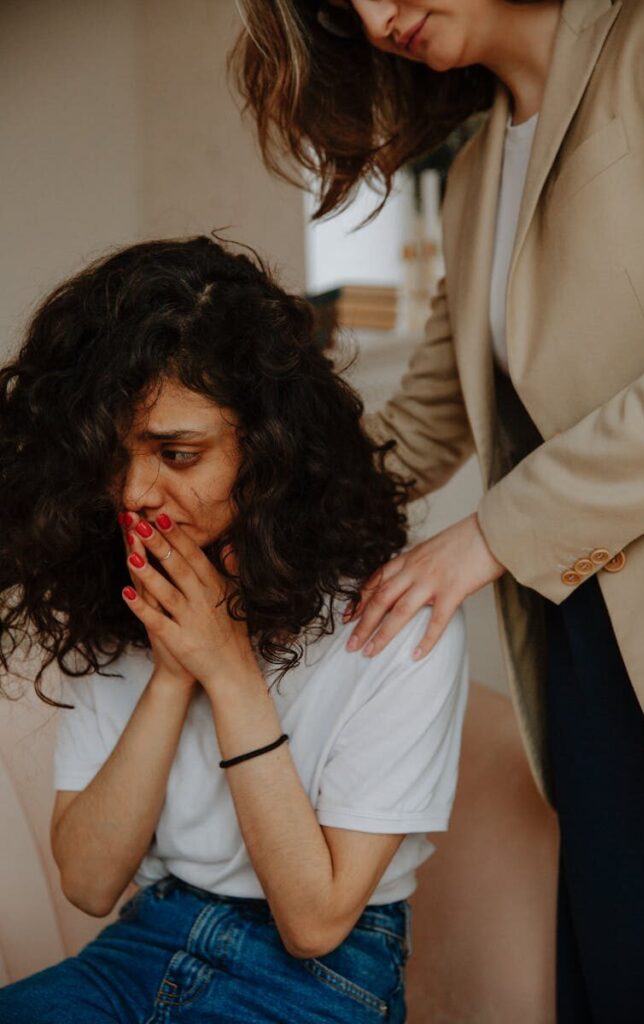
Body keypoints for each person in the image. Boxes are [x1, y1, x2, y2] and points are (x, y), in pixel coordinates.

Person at [231, 0, 644, 1019]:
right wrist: (238, 506)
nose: (375, 16)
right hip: (582, 648)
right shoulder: (477, 167)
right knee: (623, 974)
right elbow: (422, 421)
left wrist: (484, 537)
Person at [0, 236, 468, 1023]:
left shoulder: (394, 617)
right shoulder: (115, 598)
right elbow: (87, 882)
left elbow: (315, 923)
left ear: (271, 452)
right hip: (145, 940)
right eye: (113, 458)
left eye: (178, 454)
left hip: (323, 973)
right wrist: (172, 672)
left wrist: (226, 666)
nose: (136, 493)